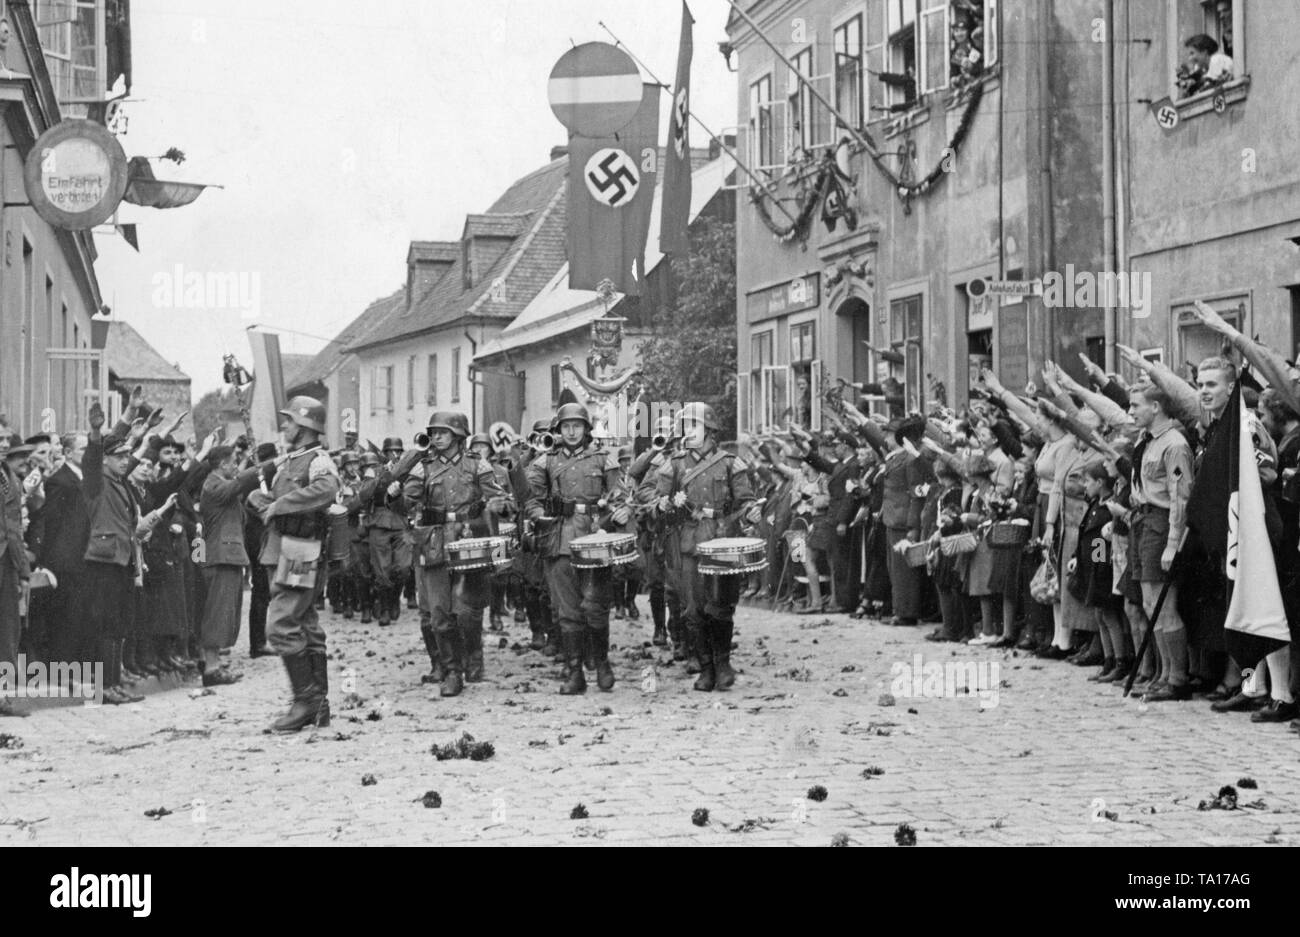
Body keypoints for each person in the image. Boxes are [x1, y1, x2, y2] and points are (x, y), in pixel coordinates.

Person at [648, 402, 759, 692]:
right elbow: (655, 508)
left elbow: (745, 500)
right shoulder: (673, 465)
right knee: (693, 611)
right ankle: (705, 667)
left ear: (710, 430)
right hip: (688, 543)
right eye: (684, 426)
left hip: (722, 540)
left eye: (693, 426)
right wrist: (664, 505)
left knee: (720, 607)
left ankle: (723, 664)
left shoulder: (730, 463)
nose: (688, 432)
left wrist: (750, 512)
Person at [246, 396, 340, 733]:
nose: (284, 426)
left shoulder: (318, 460)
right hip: (285, 547)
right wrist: (263, 501)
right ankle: (318, 705)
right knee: (306, 624)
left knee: (281, 626)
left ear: (304, 426)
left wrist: (281, 504)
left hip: (301, 550)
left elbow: (328, 490)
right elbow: (278, 504)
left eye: (289, 421)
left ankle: (305, 702)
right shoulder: (291, 460)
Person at [401, 412, 508, 696]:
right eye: (433, 432)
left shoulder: (476, 464)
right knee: (438, 612)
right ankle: (451, 671)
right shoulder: (423, 466)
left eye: (443, 432)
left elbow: (499, 496)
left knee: (466, 611)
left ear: (458, 436)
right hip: (434, 541)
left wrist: (499, 506)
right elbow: (404, 500)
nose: (436, 437)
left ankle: (473, 656)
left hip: (469, 538)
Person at [526, 402, 627, 694]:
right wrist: (537, 516)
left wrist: (619, 511)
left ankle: (602, 662)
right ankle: (574, 672)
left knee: (595, 606)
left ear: (586, 429)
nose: (571, 431)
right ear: (558, 430)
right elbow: (531, 498)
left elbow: (618, 494)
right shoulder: (545, 462)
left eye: (577, 426)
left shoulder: (602, 460)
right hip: (558, 539)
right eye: (566, 426)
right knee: (567, 610)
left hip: (594, 536)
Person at [1126, 381, 1195, 702]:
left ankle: (1178, 679)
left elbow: (1181, 498)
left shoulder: (1174, 444)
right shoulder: (1148, 441)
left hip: (1160, 523)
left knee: (1164, 606)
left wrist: (1171, 543)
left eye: (1135, 405)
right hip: (1142, 521)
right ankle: (1164, 673)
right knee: (1150, 602)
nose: (1130, 412)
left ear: (1155, 407)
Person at [199, 440, 274, 686]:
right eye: (232, 462)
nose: (235, 466)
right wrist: (270, 463)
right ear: (222, 465)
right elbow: (241, 480)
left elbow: (238, 487)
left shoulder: (220, 485)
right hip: (220, 557)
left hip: (228, 556)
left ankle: (214, 664)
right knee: (217, 614)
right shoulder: (213, 486)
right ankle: (211, 669)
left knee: (224, 614)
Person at [0, 432, 30, 717]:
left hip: (7, 562)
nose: (2, 445)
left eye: (4, 440)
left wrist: (23, 570)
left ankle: (3, 697)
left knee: (9, 629)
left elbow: (15, 529)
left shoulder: (11, 479)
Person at [368, 437, 412, 627]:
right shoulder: (375, 471)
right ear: (383, 454)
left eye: (398, 452)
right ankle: (385, 607)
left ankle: (395, 598)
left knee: (403, 568)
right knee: (382, 570)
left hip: (400, 521)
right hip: (379, 521)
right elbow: (367, 492)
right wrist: (385, 473)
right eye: (391, 452)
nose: (395, 455)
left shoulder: (409, 473)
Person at [243, 441, 279, 656]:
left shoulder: (258, 480)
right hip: (259, 540)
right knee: (262, 591)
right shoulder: (255, 485)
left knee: (263, 591)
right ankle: (257, 643)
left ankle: (259, 641)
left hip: (260, 539)